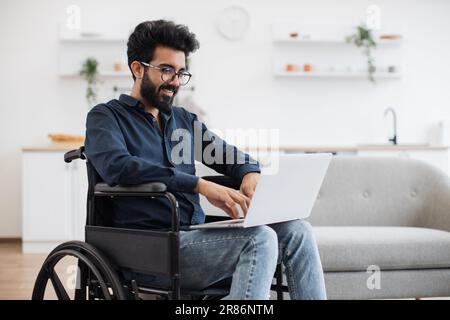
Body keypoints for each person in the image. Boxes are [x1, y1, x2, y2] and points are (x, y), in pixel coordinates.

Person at [85, 20, 326, 300]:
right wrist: (198, 184)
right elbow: (118, 167)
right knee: (259, 239)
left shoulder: (182, 121)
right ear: (138, 68)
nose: (175, 81)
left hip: (193, 237)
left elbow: (229, 156)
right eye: (166, 70)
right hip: (148, 249)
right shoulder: (106, 117)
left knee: (298, 231)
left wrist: (250, 173)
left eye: (180, 73)